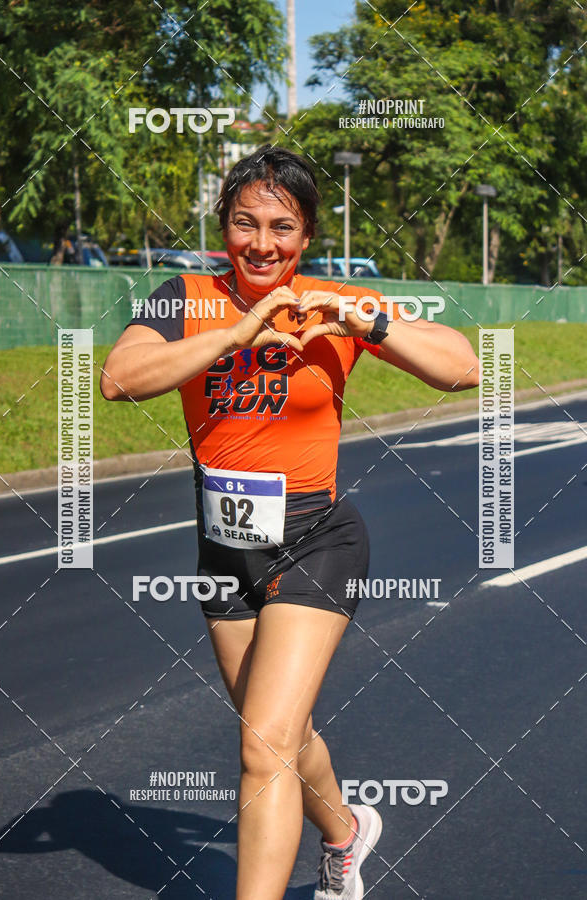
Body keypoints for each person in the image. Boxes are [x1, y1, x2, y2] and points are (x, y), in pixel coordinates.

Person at [101, 144, 480, 899]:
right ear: (224, 227)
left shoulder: (333, 301)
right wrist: (235, 336)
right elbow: (118, 378)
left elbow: (463, 364)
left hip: (316, 539)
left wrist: (360, 321)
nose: (262, 244)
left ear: (306, 236)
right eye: (246, 224)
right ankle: (346, 834)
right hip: (225, 549)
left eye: (282, 227)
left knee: (261, 746)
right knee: (280, 732)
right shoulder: (187, 297)